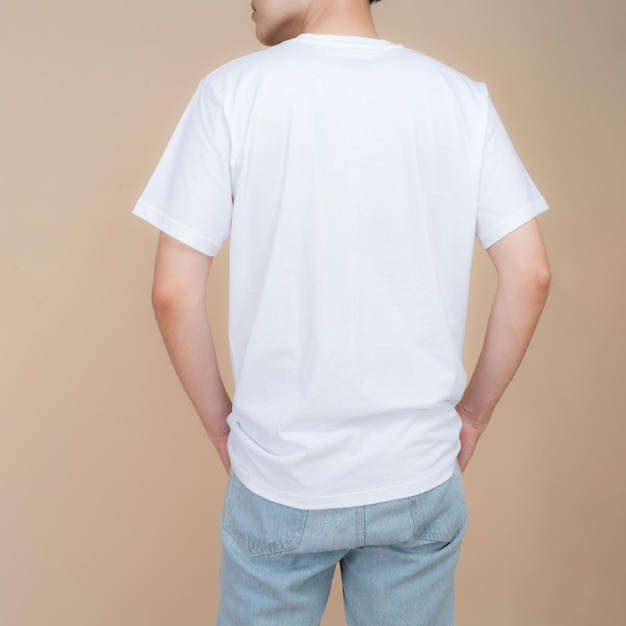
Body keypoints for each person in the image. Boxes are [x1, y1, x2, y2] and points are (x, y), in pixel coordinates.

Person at [132, 1, 551, 624]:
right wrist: (473, 414)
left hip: (281, 475)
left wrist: (223, 426)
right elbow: (530, 273)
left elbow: (172, 291)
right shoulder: (460, 99)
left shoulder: (232, 94)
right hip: (416, 475)